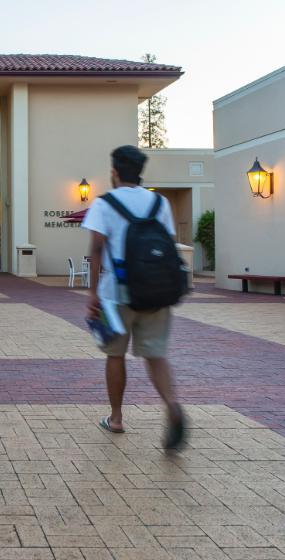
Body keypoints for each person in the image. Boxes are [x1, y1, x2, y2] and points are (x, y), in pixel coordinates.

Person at [84, 145, 186, 450]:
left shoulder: (104, 204)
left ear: (114, 172)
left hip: (117, 294)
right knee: (156, 355)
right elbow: (167, 245)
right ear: (140, 172)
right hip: (156, 291)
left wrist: (91, 294)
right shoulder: (160, 203)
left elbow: (96, 250)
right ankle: (172, 405)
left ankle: (116, 417)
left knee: (115, 355)